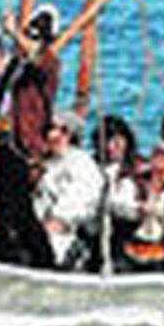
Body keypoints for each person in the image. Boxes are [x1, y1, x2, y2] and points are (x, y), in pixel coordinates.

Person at [0, 3, 61, 267]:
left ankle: (45, 262)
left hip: (25, 145)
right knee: (1, 207)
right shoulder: (21, 64)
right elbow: (3, 90)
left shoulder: (49, 62)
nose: (28, 40)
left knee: (21, 210)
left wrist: (12, 33)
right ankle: (3, 256)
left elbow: (36, 59)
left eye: (33, 36)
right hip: (5, 140)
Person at [33, 110, 106, 270]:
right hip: (42, 231)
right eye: (49, 129)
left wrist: (56, 221)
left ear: (68, 134)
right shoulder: (47, 164)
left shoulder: (81, 164)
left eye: (54, 129)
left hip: (65, 241)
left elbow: (79, 204)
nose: (50, 135)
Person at [92, 115, 143, 270]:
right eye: (108, 141)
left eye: (117, 141)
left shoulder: (138, 167)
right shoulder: (92, 168)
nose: (112, 147)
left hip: (130, 230)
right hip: (100, 229)